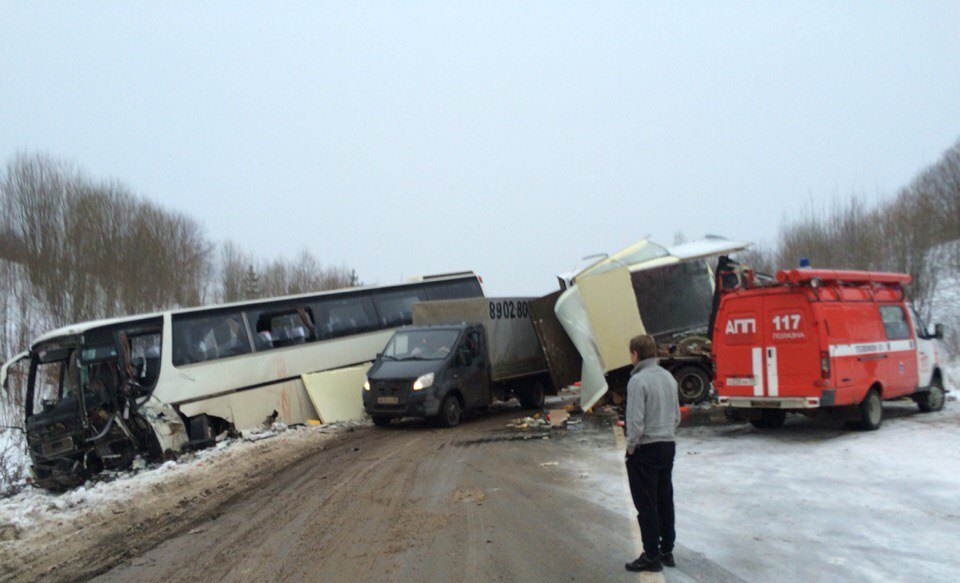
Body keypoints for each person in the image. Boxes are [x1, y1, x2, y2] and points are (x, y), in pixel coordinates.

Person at [624, 334, 681, 573]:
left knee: (646, 504)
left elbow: (635, 421)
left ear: (636, 354)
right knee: (664, 499)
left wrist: (630, 448)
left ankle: (650, 556)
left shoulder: (638, 381)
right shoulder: (668, 377)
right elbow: (676, 416)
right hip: (668, 445)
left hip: (645, 449)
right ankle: (667, 550)